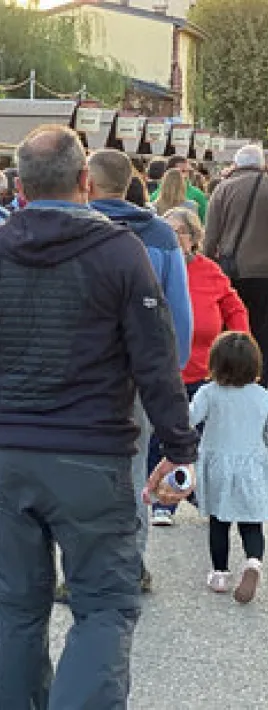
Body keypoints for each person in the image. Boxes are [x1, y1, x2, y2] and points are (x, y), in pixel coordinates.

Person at [0, 125, 197, 708]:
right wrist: (179, 447)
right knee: (103, 605)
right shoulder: (119, 251)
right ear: (84, 180)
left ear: (19, 187)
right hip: (94, 452)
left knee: (18, 610)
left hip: (11, 455)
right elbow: (155, 359)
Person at [87, 148, 193, 591]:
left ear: (87, 184)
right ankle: (132, 563)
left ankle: (83, 568)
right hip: (141, 372)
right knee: (133, 469)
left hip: (83, 371)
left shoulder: (72, 230)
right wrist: (174, 369)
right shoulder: (160, 236)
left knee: (84, 468)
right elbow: (178, 313)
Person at [150, 207, 248, 527]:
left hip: (203, 370)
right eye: (167, 230)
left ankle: (197, 493)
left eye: (179, 231)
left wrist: (238, 345)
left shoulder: (210, 271)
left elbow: (234, 307)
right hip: (164, 370)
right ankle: (164, 503)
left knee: (203, 441)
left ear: (194, 239)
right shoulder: (153, 267)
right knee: (162, 437)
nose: (173, 237)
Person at [190, 332, 268, 603]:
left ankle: (221, 574)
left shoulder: (209, 393)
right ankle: (253, 563)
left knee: (219, 522)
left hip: (218, 468)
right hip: (251, 468)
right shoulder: (262, 396)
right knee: (251, 523)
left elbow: (189, 419)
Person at [204, 145, 268, 378]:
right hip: (265, 274)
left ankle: (237, 373)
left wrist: (207, 264)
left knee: (236, 325)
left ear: (237, 164)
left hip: (234, 271)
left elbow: (210, 236)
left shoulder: (223, 189)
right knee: (263, 329)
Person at [152, 155, 208, 222]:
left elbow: (204, 221)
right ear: (169, 172)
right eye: (182, 171)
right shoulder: (155, 195)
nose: (185, 175)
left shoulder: (198, 194)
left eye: (188, 171)